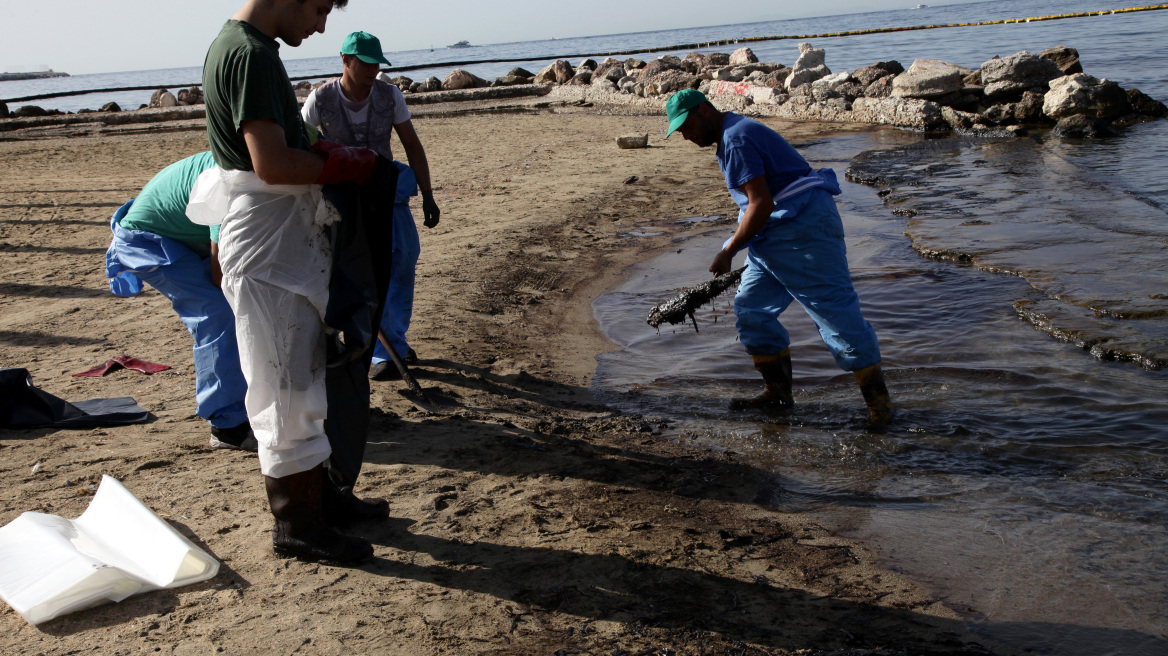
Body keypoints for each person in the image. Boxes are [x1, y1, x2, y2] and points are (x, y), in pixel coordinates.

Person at [200, 0, 383, 565]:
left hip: (278, 240)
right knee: (282, 383)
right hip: (268, 246)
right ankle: (297, 524)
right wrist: (339, 165)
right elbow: (272, 165)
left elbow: (281, 153)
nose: (322, 24)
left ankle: (320, 499)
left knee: (304, 371)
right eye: (320, 7)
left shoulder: (247, 49)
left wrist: (321, 151)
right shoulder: (249, 53)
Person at [664, 89, 892, 423]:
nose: (685, 135)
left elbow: (761, 203)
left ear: (704, 110)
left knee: (835, 315)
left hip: (804, 229)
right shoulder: (732, 135)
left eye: (687, 125)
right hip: (774, 231)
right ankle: (778, 396)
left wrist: (728, 251)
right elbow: (763, 204)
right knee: (753, 312)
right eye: (680, 130)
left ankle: (880, 409)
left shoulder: (736, 138)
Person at [301, 30, 440, 380]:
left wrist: (426, 194)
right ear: (345, 61)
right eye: (365, 63)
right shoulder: (320, 100)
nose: (372, 70)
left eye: (376, 63)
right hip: (343, 201)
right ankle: (374, 350)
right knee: (354, 274)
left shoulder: (388, 95)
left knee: (403, 262)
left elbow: (412, 144)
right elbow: (299, 145)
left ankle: (394, 343)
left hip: (388, 195)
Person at [104, 152, 254, 451]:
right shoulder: (231, 180)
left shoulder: (285, 152)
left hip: (185, 236)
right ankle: (227, 426)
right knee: (218, 314)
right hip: (148, 240)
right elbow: (218, 274)